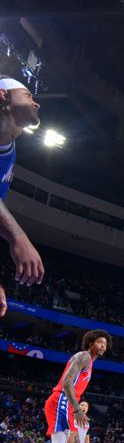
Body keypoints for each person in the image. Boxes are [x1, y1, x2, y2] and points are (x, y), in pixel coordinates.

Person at [0, 329, 110, 443]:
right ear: (91, 343)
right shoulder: (83, 356)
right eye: (100, 342)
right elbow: (67, 383)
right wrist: (76, 409)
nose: (103, 346)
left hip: (66, 404)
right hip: (62, 400)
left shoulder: (89, 363)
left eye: (105, 344)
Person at [0, 76, 44, 292]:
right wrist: (18, 235)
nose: (36, 103)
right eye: (28, 95)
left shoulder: (8, 144)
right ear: (3, 95)